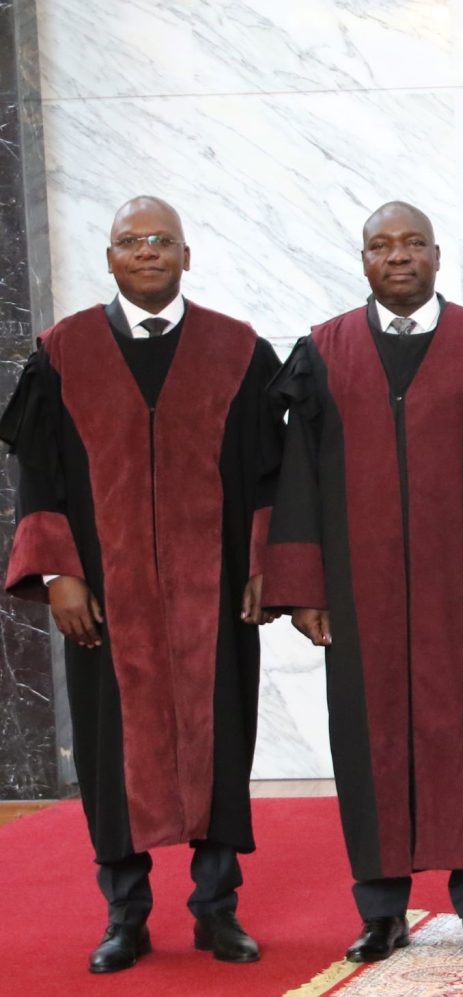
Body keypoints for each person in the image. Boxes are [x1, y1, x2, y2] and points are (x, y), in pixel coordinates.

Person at [0, 196, 280, 973]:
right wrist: (59, 572)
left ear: (187, 255)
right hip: (105, 596)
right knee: (109, 748)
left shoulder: (239, 351)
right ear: (111, 258)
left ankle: (217, 909)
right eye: (131, 240)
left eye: (162, 239)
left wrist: (265, 563)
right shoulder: (63, 353)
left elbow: (271, 472)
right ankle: (126, 915)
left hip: (214, 595)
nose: (147, 250)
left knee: (221, 739)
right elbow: (37, 474)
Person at [263, 201, 463, 963]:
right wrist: (305, 587)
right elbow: (296, 479)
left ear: (437, 255)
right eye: (381, 245)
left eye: (413, 243)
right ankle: (382, 909)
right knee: (369, 741)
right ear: (362, 260)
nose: (398, 256)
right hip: (362, 596)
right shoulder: (324, 352)